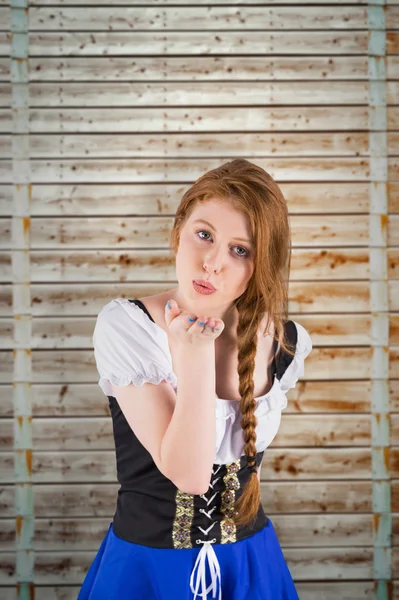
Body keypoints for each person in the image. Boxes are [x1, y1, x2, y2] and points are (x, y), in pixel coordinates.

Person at [77, 158, 312, 599]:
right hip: (149, 568)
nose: (212, 263)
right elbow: (189, 475)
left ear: (260, 263)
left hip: (250, 562)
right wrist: (196, 355)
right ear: (179, 228)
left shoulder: (285, 339)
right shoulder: (127, 326)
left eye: (239, 250)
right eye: (204, 235)